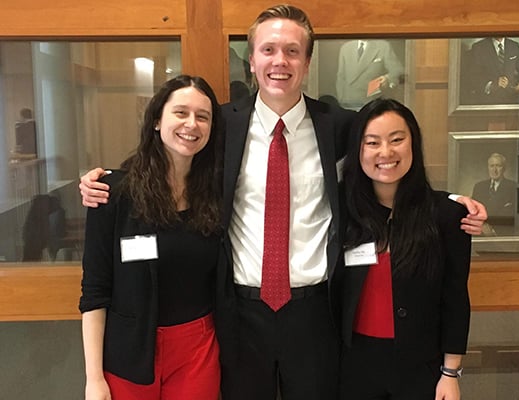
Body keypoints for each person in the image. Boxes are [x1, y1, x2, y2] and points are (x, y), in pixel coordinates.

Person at [78, 5, 487, 399]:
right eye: (268, 50)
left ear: (307, 63)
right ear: (252, 61)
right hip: (240, 312)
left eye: (293, 51)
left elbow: (387, 158)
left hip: (314, 312)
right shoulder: (220, 125)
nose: (280, 61)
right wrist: (108, 180)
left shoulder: (339, 125)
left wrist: (449, 204)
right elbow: (169, 154)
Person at [79, 75, 223, 400]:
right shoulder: (113, 193)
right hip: (128, 349)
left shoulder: (217, 196)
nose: (192, 124)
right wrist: (93, 378)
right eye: (181, 112)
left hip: (197, 350)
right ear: (157, 120)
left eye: (203, 116)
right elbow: (94, 292)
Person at [340, 98, 471, 400]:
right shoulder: (342, 210)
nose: (385, 152)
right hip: (354, 365)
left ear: (414, 143)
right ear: (357, 150)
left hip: (420, 366)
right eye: (372, 142)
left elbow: (455, 297)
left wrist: (450, 373)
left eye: (397, 139)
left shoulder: (446, 215)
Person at [463, 37, 519, 105]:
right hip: (488, 101)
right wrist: (492, 85)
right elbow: (472, 76)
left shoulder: (513, 46)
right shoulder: (479, 47)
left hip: (512, 100)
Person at [336, 39, 404, 109]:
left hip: (371, 104)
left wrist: (387, 78)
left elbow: (398, 71)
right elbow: (341, 77)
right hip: (349, 103)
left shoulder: (383, 46)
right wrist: (341, 100)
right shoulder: (346, 48)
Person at [472, 152, 517, 235]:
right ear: (488, 167)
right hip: (481, 233)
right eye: (492, 166)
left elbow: (517, 218)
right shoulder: (479, 187)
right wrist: (482, 225)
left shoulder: (514, 187)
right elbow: (472, 212)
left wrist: (493, 230)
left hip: (504, 235)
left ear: (504, 168)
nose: (494, 170)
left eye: (498, 166)